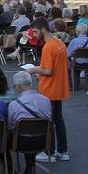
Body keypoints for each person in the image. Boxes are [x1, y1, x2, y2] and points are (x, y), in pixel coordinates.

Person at [25, 17, 70, 162]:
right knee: (58, 119)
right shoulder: (59, 44)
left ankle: (49, 151)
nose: (35, 35)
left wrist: (33, 70)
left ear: (43, 29)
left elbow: (48, 70)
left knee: (48, 121)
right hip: (59, 86)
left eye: (36, 31)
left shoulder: (48, 47)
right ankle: (62, 151)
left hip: (49, 88)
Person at [8, 71, 52, 174]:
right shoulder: (45, 100)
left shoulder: (14, 104)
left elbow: (10, 126)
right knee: (30, 131)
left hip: (21, 141)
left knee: (9, 136)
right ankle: (29, 167)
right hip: (43, 140)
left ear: (18, 87)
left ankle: (9, 170)